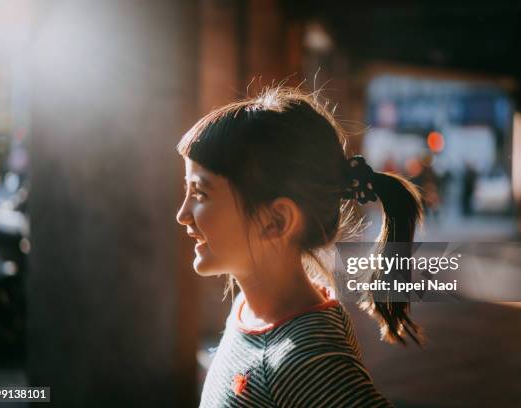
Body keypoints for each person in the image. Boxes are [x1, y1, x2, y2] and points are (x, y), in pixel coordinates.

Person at [176, 87, 423, 407]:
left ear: (276, 221)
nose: (182, 215)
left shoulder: (307, 359)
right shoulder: (249, 310)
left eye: (200, 194)